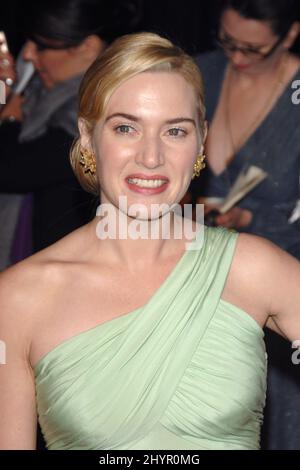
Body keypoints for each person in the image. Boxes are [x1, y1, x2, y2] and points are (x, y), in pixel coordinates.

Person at [0, 31, 299, 451]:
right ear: (87, 137)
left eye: (175, 132)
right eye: (126, 128)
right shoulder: (17, 298)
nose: (151, 157)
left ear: (200, 140)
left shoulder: (250, 268)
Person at [191, 0, 300, 449]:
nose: (236, 57)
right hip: (201, 286)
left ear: (289, 35)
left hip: (282, 292)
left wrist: (255, 217)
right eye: (228, 41)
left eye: (253, 49)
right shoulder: (199, 73)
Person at [0, 0, 141, 270]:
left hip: (72, 272)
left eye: (42, 45)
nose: (28, 54)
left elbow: (11, 170)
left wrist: (9, 119)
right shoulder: (38, 92)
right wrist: (4, 86)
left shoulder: (102, 107)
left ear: (88, 48)